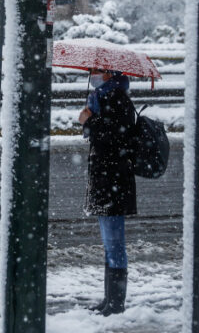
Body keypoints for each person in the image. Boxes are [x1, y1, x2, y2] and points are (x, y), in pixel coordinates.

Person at [78, 68, 136, 316]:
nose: (93, 74)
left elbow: (115, 136)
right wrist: (90, 119)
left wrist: (89, 122)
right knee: (109, 244)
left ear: (110, 74)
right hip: (107, 179)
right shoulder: (103, 97)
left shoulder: (117, 98)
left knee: (114, 244)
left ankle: (116, 303)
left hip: (114, 180)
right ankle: (109, 299)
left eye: (98, 71)